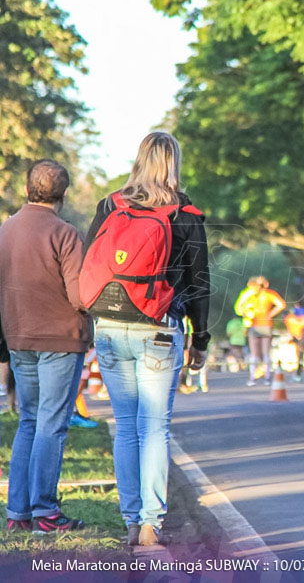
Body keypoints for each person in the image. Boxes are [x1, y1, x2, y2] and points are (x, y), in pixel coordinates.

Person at [81, 132, 209, 547]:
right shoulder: (185, 214)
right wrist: (200, 339)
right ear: (174, 162)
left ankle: (131, 519)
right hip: (159, 329)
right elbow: (199, 284)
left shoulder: (110, 206)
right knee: (155, 428)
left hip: (111, 329)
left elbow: (89, 264)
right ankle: (153, 523)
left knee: (126, 428)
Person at [0, 159, 92, 533]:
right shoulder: (65, 233)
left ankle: (17, 513)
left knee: (29, 422)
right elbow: (79, 295)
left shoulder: (4, 231)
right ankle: (47, 512)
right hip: (60, 339)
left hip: (19, 336)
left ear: (27, 189)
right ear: (64, 194)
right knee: (52, 426)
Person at [236, 277, 286, 385]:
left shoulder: (249, 294)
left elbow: (239, 308)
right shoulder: (269, 294)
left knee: (254, 352)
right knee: (265, 352)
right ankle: (266, 377)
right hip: (265, 324)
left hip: (254, 324)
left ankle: (252, 377)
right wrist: (270, 314)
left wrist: (246, 314)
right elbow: (281, 305)